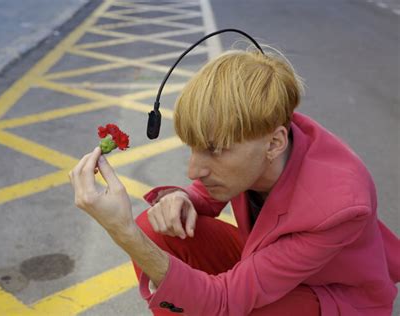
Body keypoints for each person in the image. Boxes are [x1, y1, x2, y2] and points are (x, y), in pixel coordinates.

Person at [68, 48, 399, 315]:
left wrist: (123, 233)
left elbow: (223, 302)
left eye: (214, 150)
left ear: (274, 143)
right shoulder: (264, 131)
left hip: (330, 298)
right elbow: (204, 196)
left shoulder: (337, 205)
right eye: (194, 148)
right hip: (270, 262)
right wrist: (184, 199)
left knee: (232, 307)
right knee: (158, 229)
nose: (194, 170)